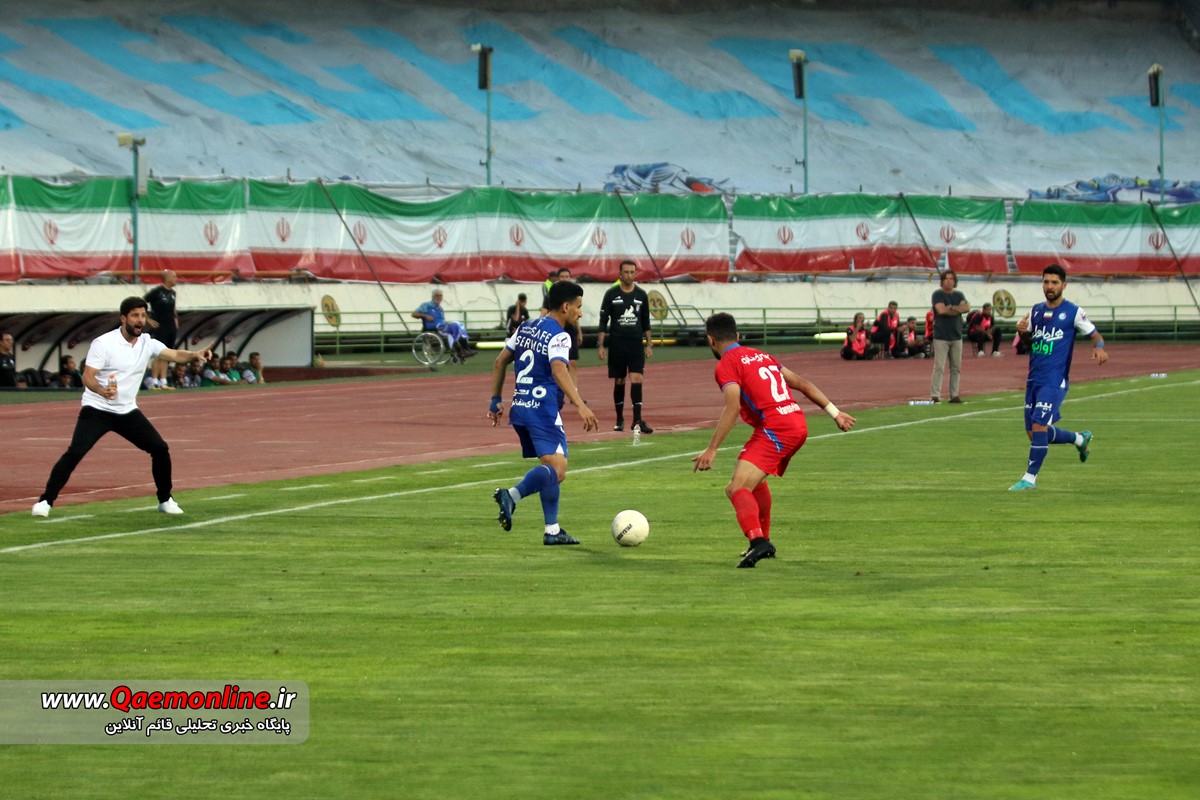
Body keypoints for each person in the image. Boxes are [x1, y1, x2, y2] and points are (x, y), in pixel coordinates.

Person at [692, 312, 856, 568]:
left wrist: (712, 448)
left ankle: (758, 542)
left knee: (736, 488)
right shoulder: (762, 355)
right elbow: (801, 383)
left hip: (777, 428)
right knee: (755, 482)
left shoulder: (726, 364)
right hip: (795, 422)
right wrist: (835, 413)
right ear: (738, 336)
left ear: (710, 340)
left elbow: (733, 407)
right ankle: (762, 539)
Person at [31, 296, 213, 518]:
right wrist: (101, 391)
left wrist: (195, 355)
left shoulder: (148, 342)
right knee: (75, 453)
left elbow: (175, 355)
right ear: (123, 318)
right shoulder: (104, 343)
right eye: (135, 315)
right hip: (97, 409)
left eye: (143, 316)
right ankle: (46, 501)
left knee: (160, 449)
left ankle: (165, 500)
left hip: (127, 411)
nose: (140, 320)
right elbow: (88, 377)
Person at [487, 280, 598, 545]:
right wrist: (580, 404)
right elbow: (559, 369)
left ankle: (552, 530)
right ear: (565, 306)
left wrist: (495, 400)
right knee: (558, 470)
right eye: (578, 307)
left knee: (552, 468)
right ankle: (512, 496)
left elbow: (500, 361)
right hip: (542, 410)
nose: (580, 313)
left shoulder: (525, 327)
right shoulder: (560, 335)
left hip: (520, 408)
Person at [1009, 264, 1108, 491]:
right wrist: (1021, 331)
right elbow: (1028, 343)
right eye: (1046, 282)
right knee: (1034, 433)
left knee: (1039, 425)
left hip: (1054, 380)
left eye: (1054, 282)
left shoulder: (1073, 312)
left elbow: (1095, 335)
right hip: (1034, 379)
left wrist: (1099, 347)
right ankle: (1080, 439)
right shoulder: (1035, 311)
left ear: (1064, 285)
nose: (1050, 286)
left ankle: (1029, 479)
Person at [597, 259, 655, 433]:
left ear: (636, 274)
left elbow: (645, 321)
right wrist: (601, 345)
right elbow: (603, 321)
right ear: (620, 274)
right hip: (617, 344)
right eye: (626, 272)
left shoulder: (641, 295)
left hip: (635, 344)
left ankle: (637, 420)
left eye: (632, 272)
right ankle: (619, 418)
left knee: (637, 379)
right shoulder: (611, 294)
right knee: (620, 380)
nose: (629, 275)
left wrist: (649, 344)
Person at [929, 269, 970, 404]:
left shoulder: (959, 294)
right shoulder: (937, 294)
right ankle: (935, 395)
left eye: (951, 279)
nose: (949, 281)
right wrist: (957, 308)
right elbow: (941, 310)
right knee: (939, 367)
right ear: (942, 281)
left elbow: (967, 308)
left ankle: (954, 395)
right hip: (941, 336)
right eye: (946, 278)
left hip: (956, 335)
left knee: (956, 368)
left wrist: (950, 308)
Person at [412, 288, 474, 362]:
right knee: (456, 325)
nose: (439, 297)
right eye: (437, 295)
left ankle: (465, 349)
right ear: (433, 296)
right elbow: (414, 314)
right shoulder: (426, 305)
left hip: (443, 327)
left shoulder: (440, 308)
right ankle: (462, 350)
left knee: (460, 326)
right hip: (434, 328)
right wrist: (425, 316)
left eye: (440, 295)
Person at [144, 270, 179, 391]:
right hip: (160, 326)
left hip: (171, 326)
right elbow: (142, 303)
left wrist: (176, 320)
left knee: (167, 354)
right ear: (167, 278)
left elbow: (173, 308)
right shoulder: (156, 291)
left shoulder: (173, 293)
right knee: (158, 354)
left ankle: (163, 381)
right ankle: (154, 381)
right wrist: (148, 319)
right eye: (174, 276)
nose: (176, 279)